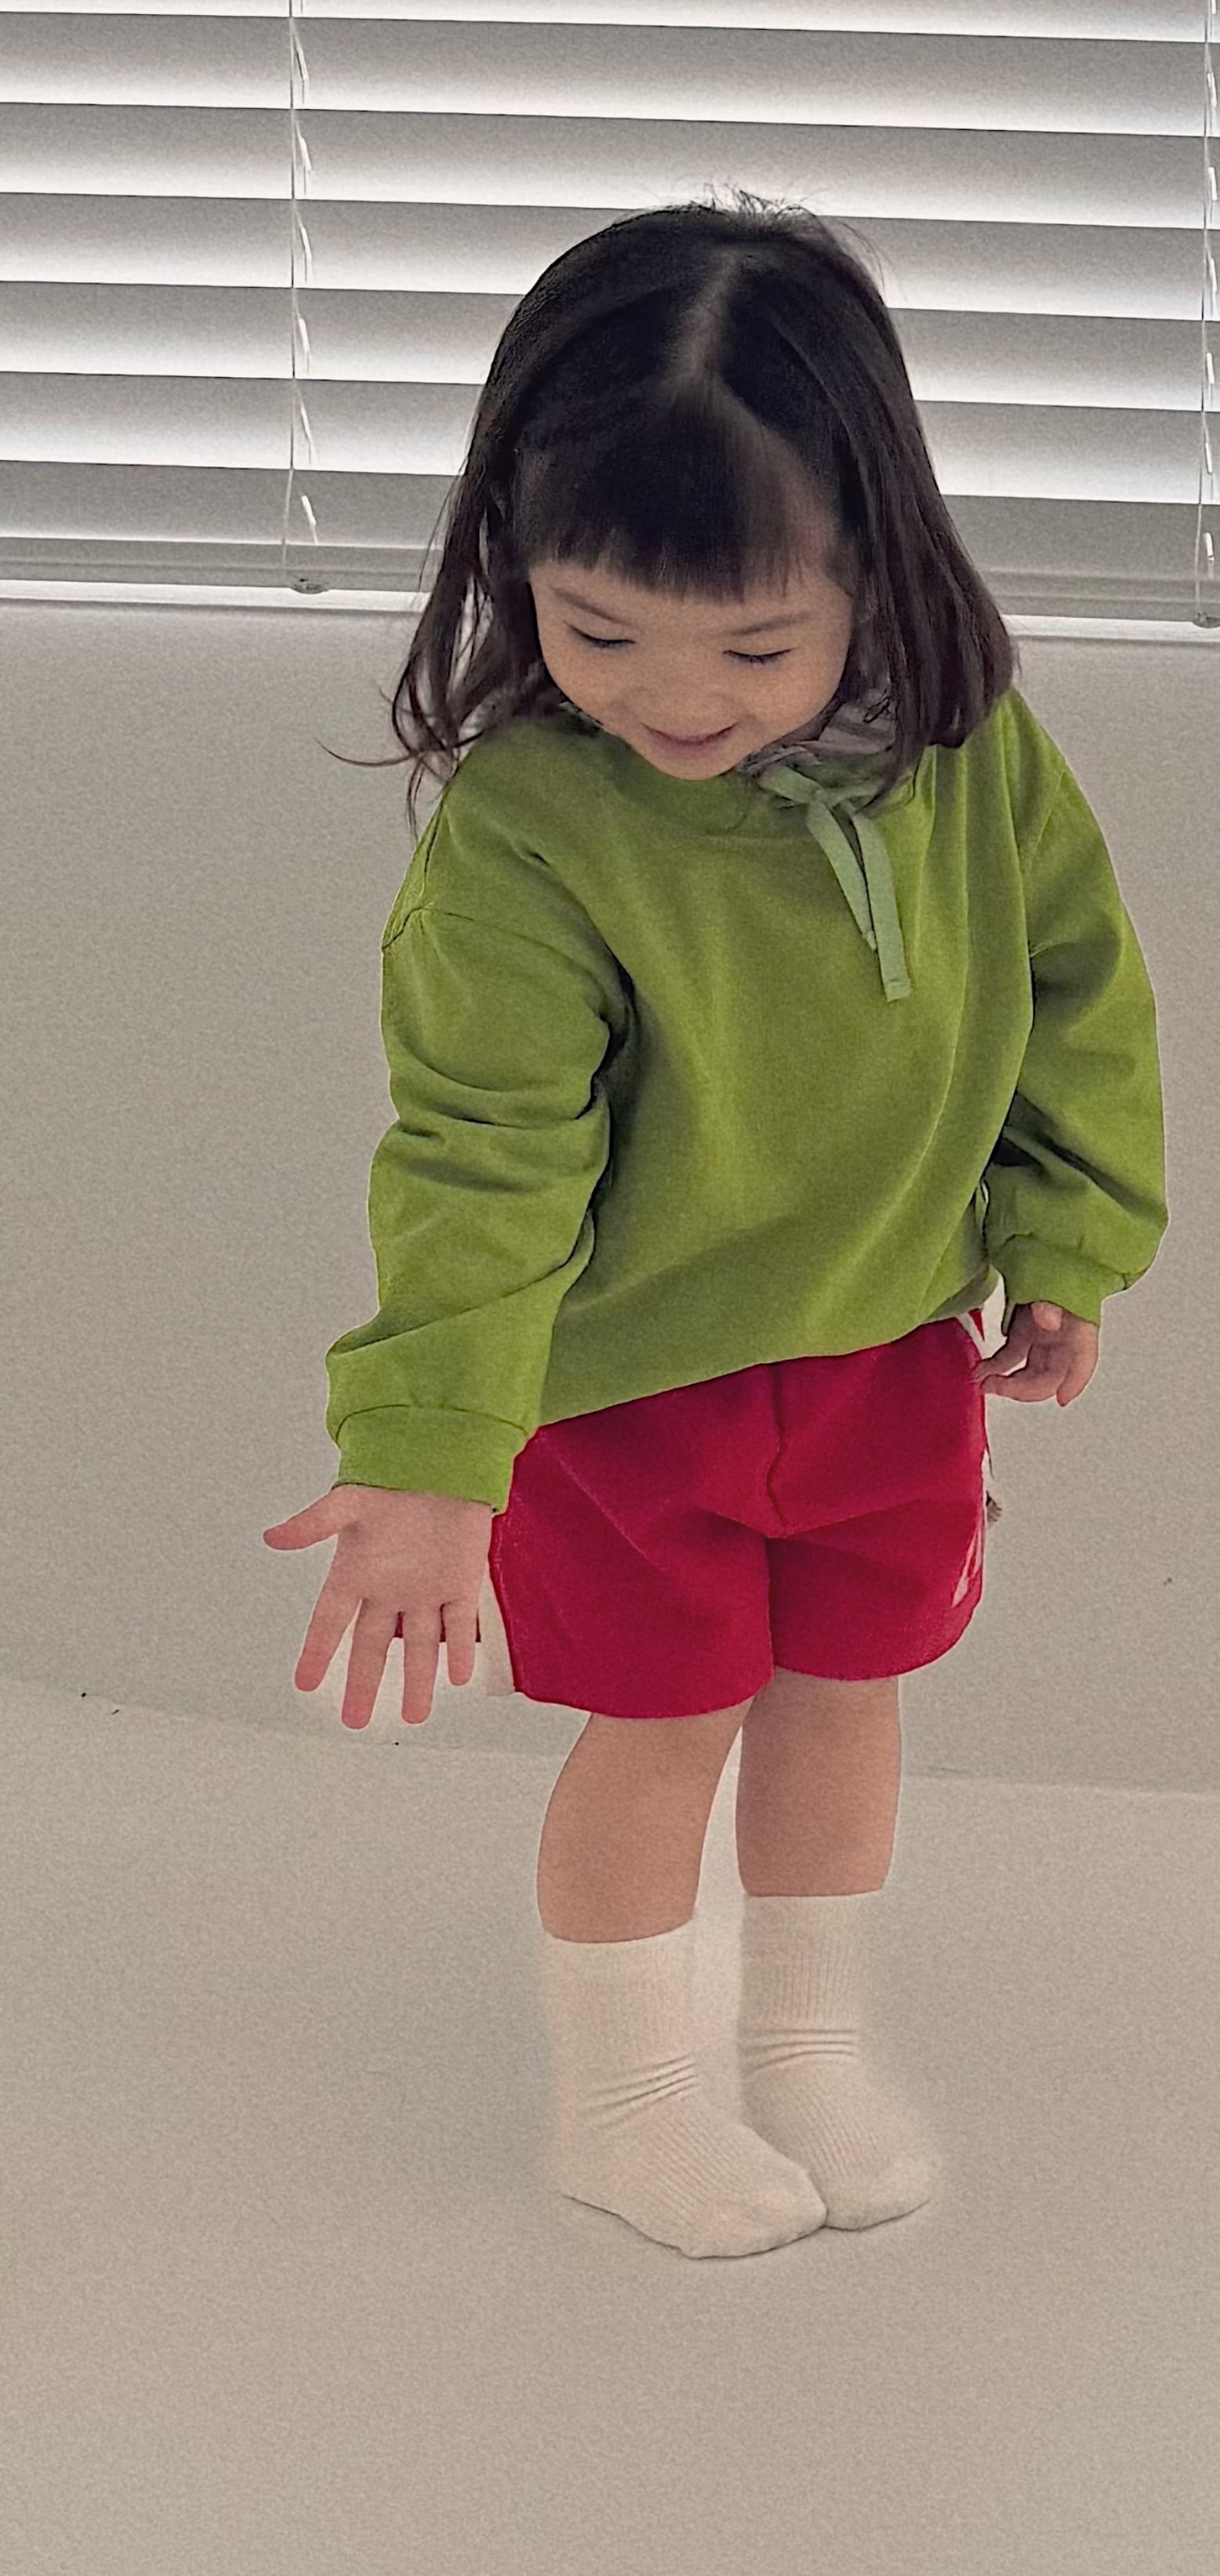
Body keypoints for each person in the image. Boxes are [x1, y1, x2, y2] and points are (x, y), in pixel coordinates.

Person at [259, 194, 1167, 2260]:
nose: (676, 699)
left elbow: (1077, 984)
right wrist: (431, 1454)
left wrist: (1067, 1233)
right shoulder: (529, 833)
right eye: (598, 634)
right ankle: (627, 2098)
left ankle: (805, 2044)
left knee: (848, 1691)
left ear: (875, 566)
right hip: (629, 1388)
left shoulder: (970, 755)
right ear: (518, 566)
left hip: (886, 1348)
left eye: (756, 647)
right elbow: (481, 1151)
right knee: (664, 1721)